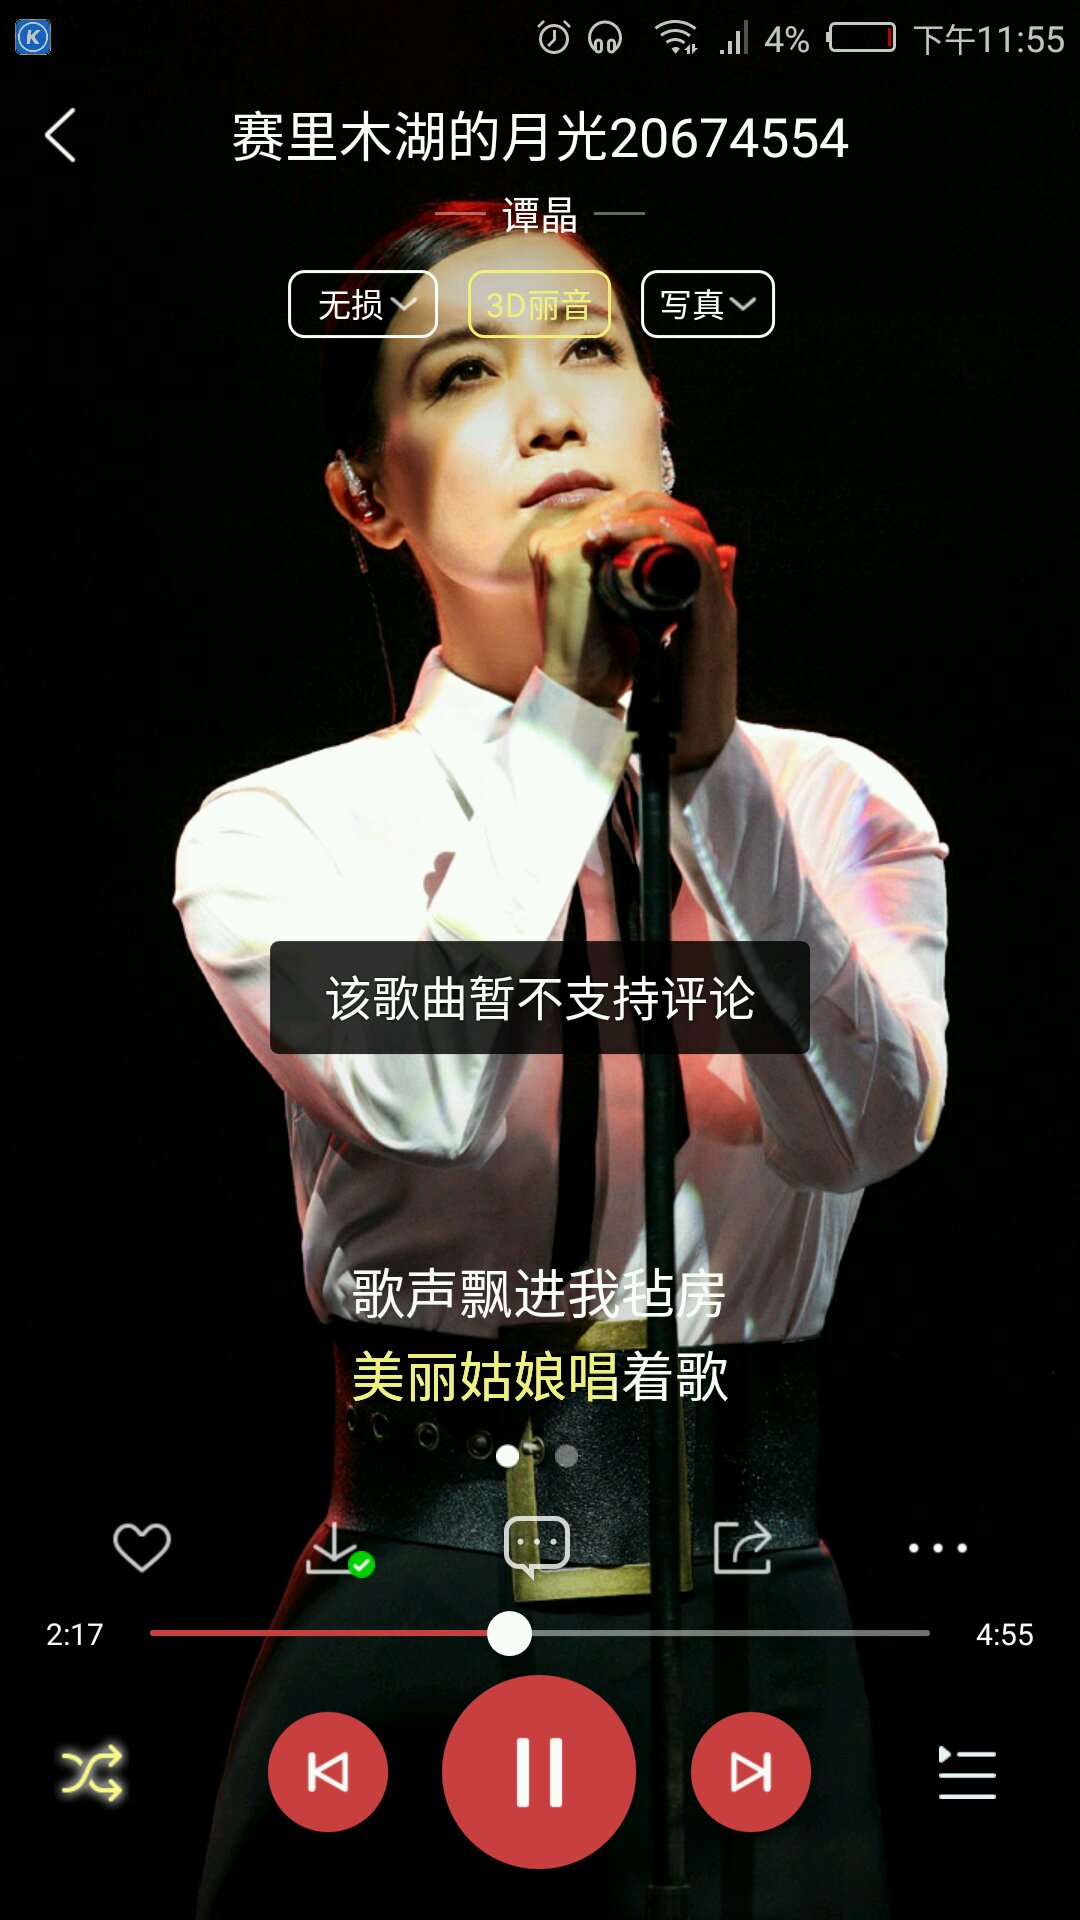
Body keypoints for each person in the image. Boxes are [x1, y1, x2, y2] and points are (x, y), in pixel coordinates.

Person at [174, 202, 948, 1917]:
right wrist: (577, 724)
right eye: (462, 375)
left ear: (660, 421)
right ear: (365, 497)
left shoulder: (834, 799)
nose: (546, 414)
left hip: (753, 1606)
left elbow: (867, 1128)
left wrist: (715, 777)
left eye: (590, 350)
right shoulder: (280, 829)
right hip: (422, 1603)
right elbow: (421, 1092)